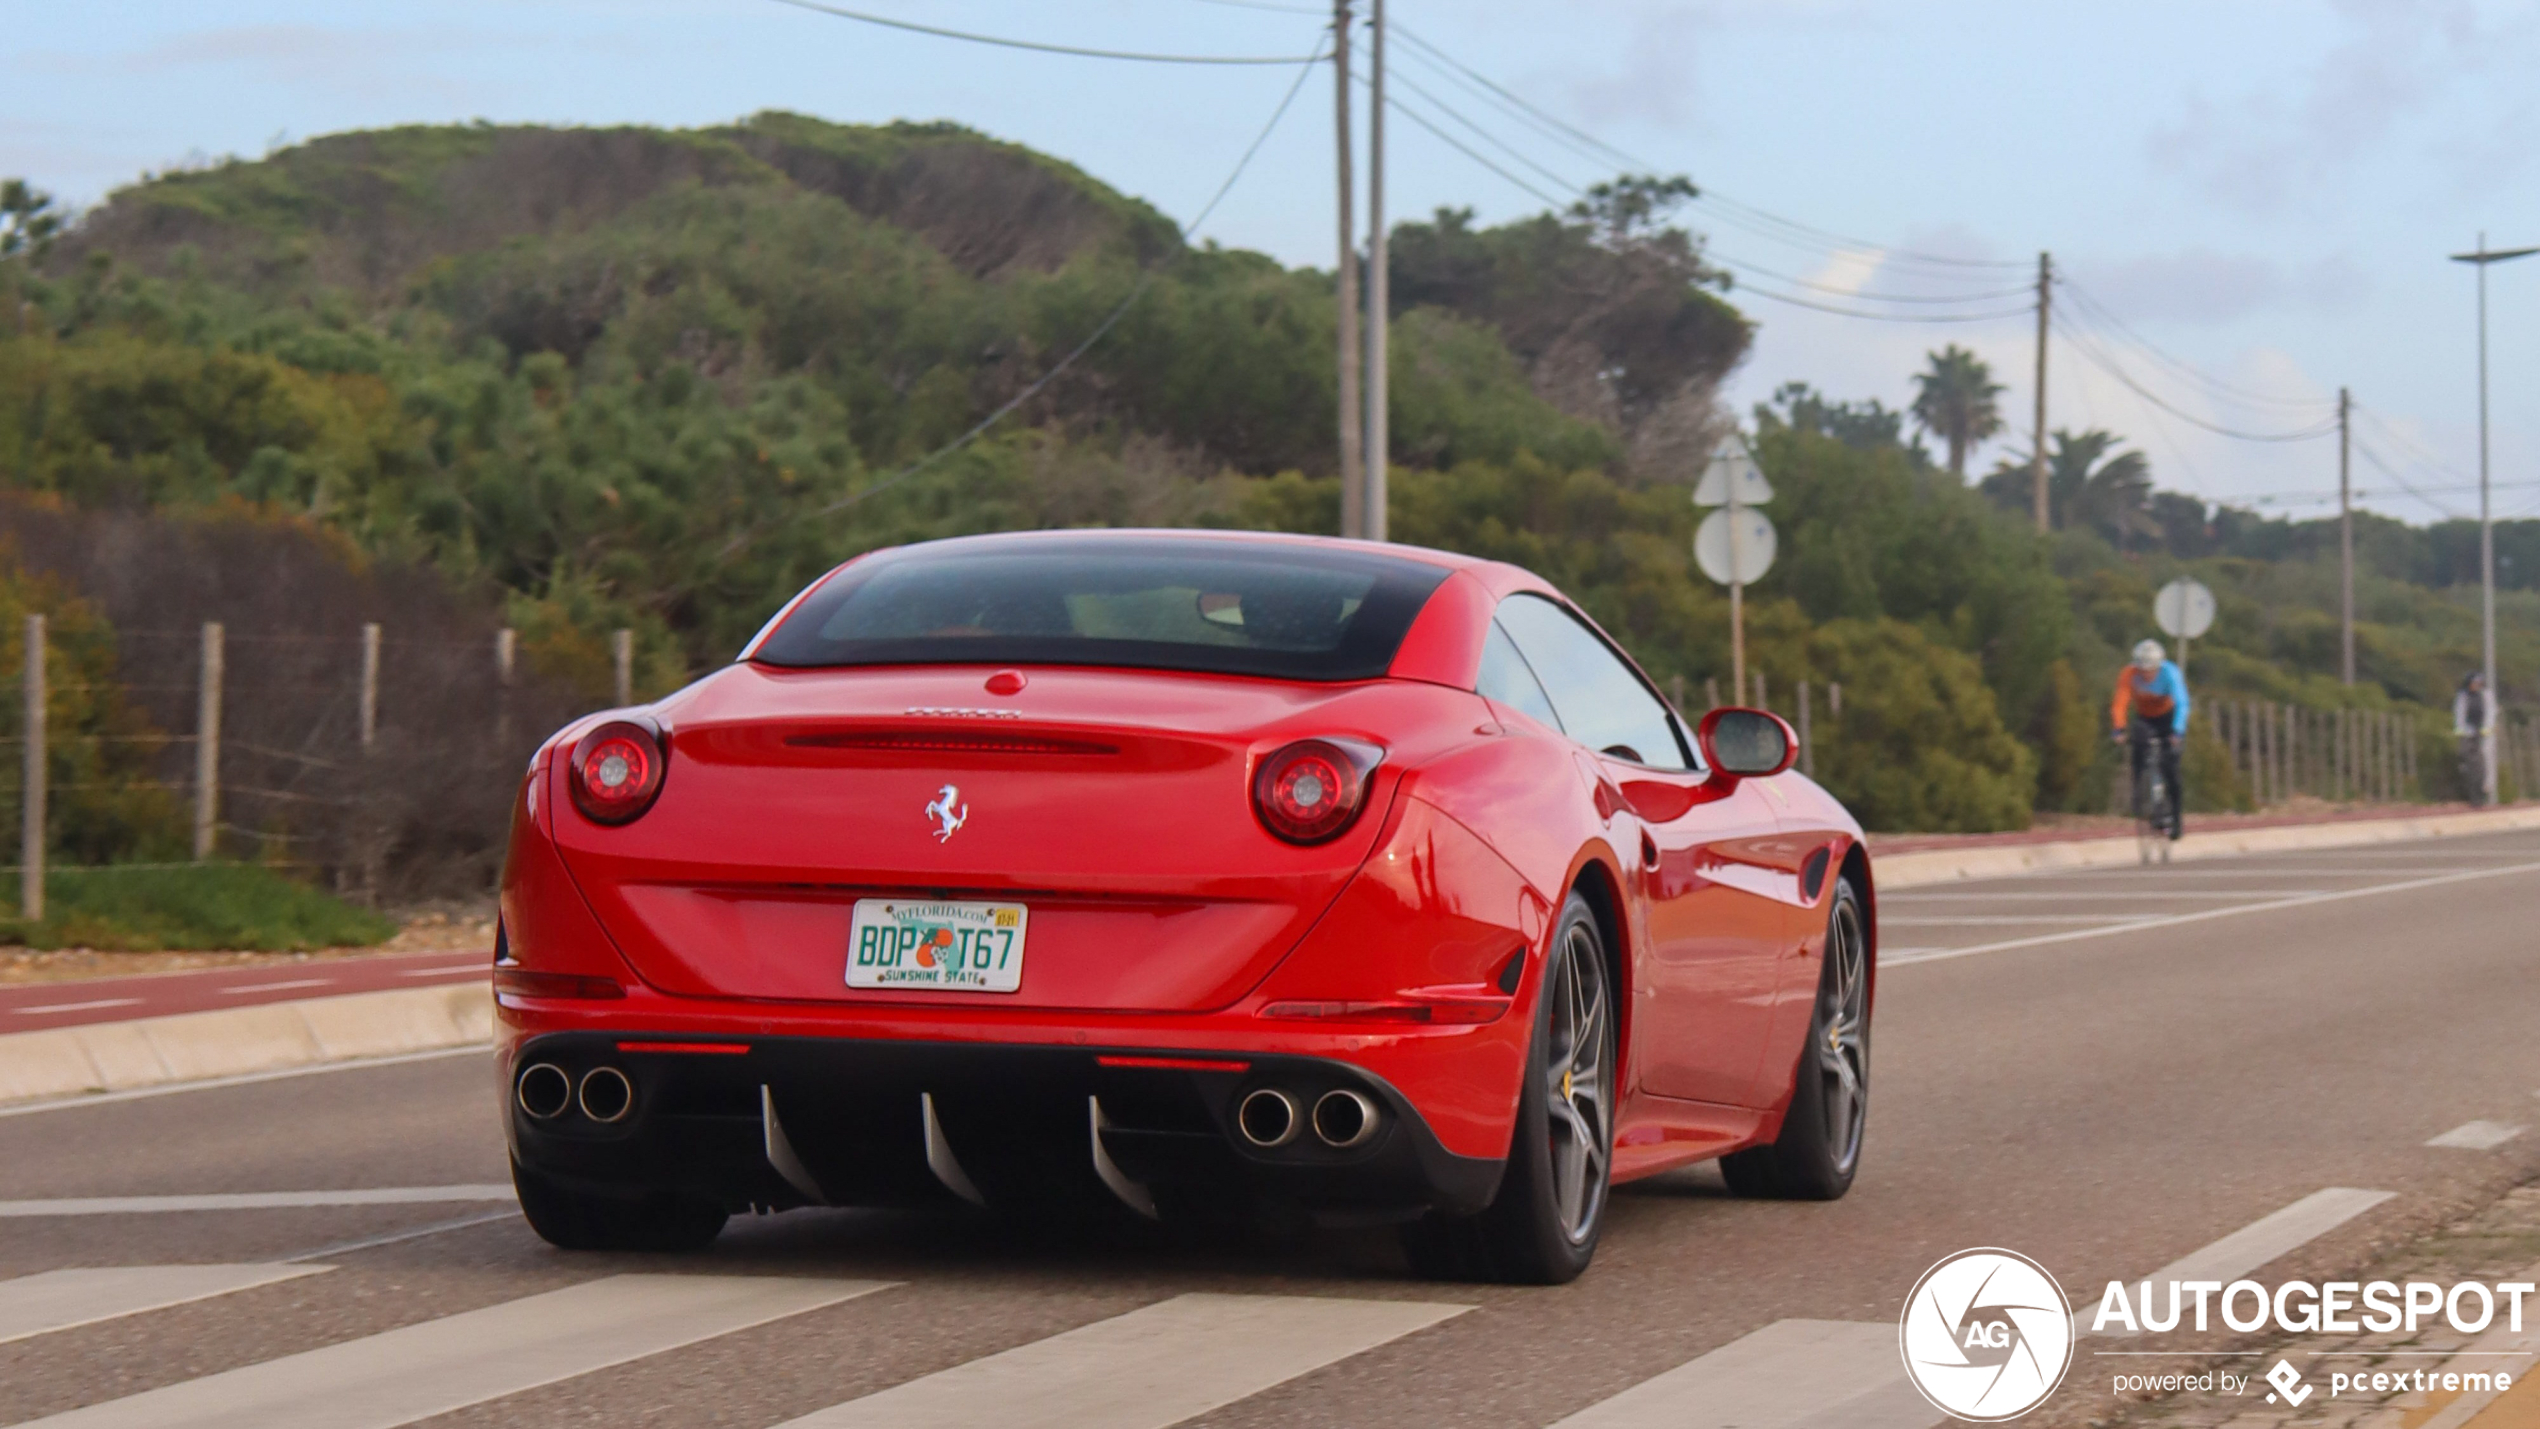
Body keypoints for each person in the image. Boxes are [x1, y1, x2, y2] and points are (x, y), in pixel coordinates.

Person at [2110, 639, 2189, 839]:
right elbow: (2120, 702)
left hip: (2169, 719)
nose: (2146, 674)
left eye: (2151, 670)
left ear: (2159, 665)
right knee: (2138, 744)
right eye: (2142, 670)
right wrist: (2119, 727)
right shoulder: (2129, 674)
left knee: (2171, 769)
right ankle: (2140, 792)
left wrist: (2177, 731)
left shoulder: (2170, 673)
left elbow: (2182, 703)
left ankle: (2176, 818)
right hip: (2145, 719)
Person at [2454, 672, 2492, 807]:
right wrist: (2461, 733)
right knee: (2468, 764)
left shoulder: (2486, 695)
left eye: (2478, 683)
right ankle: (2472, 795)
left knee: (2481, 766)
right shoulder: (2463, 696)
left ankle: (2480, 795)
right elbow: (2459, 715)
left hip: (2481, 735)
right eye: (2474, 683)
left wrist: (2486, 730)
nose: (2476, 686)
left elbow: (2490, 713)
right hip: (2468, 734)